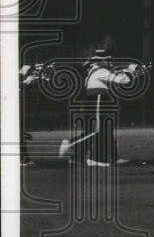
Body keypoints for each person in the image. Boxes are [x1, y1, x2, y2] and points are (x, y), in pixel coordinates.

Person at [58, 37, 137, 166]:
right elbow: (123, 81)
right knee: (96, 131)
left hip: (98, 100)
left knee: (106, 129)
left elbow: (113, 84)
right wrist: (130, 71)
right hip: (98, 101)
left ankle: (102, 158)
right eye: (108, 59)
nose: (110, 62)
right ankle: (71, 143)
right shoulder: (100, 70)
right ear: (101, 60)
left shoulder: (96, 71)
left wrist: (127, 74)